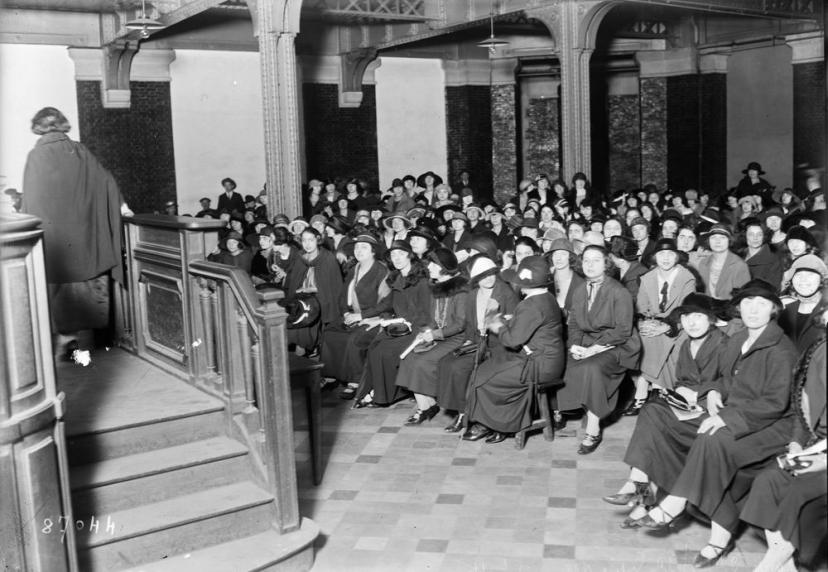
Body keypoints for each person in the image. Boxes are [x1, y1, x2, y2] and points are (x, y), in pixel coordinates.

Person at [631, 279, 798, 568]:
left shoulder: (781, 349)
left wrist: (725, 417)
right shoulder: (739, 339)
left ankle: (679, 503)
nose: (753, 310)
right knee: (670, 422)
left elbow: (775, 403)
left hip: (770, 427)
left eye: (761, 304)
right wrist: (715, 392)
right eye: (747, 303)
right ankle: (642, 487)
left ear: (773, 310)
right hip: (736, 414)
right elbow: (727, 379)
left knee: (711, 440)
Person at [603, 293, 728, 526]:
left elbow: (731, 383)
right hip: (690, 410)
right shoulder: (686, 345)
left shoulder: (724, 344)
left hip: (713, 416)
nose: (691, 322)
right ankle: (639, 487)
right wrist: (680, 393)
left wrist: (702, 393)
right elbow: (681, 380)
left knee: (655, 429)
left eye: (699, 317)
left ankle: (640, 494)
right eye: (687, 317)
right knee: (651, 410)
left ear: (711, 319)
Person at [21, 106, 132, 357]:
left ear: (39, 127)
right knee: (89, 296)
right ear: (62, 124)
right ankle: (86, 350)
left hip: (54, 247)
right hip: (85, 244)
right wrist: (123, 207)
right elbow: (106, 183)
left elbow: (31, 203)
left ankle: (67, 349)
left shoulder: (36, 156)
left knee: (59, 298)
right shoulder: (80, 151)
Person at [740, 314, 826, 572]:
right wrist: (798, 444)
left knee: (799, 492)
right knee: (767, 482)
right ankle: (786, 567)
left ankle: (766, 567)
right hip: (817, 445)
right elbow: (803, 402)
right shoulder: (818, 350)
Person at [463, 256, 566, 444]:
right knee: (488, 369)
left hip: (537, 366)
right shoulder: (546, 297)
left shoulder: (530, 305)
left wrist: (497, 324)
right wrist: (510, 320)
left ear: (525, 284)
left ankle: (495, 424)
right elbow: (532, 326)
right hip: (548, 361)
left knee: (483, 377)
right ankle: (495, 423)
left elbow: (512, 341)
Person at [556, 245, 642, 454]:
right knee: (560, 361)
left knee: (593, 369)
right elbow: (574, 324)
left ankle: (593, 430)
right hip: (587, 342)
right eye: (586, 260)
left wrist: (594, 349)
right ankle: (563, 410)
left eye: (596, 260)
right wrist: (575, 345)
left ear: (606, 263)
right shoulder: (580, 289)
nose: (590, 265)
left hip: (618, 345)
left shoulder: (619, 292)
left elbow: (622, 331)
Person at [436, 255, 520, 432]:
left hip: (499, 347)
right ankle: (461, 411)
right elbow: (469, 325)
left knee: (460, 369)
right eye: (483, 275)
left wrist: (496, 319)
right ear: (476, 279)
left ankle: (468, 415)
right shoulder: (472, 295)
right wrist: (467, 342)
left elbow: (514, 326)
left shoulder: (505, 293)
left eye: (491, 274)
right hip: (478, 343)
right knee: (446, 362)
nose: (489, 278)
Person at [354, 240, 432, 408]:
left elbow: (427, 314)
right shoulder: (396, 277)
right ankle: (379, 393)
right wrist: (365, 316)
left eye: (400, 254)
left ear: (409, 255)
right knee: (375, 347)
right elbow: (386, 304)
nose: (396, 258)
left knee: (386, 352)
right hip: (400, 326)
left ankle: (387, 394)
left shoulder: (421, 281)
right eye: (393, 255)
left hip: (418, 329)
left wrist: (415, 329)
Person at [396, 248, 469, 425]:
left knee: (422, 362)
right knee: (409, 359)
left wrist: (434, 334)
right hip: (439, 335)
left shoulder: (461, 290)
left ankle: (428, 406)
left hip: (458, 338)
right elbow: (434, 319)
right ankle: (426, 405)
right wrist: (425, 331)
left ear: (444, 267)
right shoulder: (436, 287)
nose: (429, 268)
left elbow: (460, 324)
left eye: (433, 265)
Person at [624, 239, 697, 415]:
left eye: (670, 254)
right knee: (645, 336)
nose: (666, 258)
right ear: (654, 257)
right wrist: (646, 323)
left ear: (677, 257)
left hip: (680, 325)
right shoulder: (647, 278)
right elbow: (642, 307)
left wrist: (665, 326)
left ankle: (646, 390)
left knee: (660, 339)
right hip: (653, 323)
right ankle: (659, 390)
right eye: (661, 254)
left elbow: (687, 310)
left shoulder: (687, 278)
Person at [320, 234, 389, 399]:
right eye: (357, 248)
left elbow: (386, 304)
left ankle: (355, 380)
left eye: (364, 247)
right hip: (352, 316)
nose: (359, 251)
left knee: (355, 339)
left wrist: (361, 316)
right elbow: (343, 296)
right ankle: (331, 375)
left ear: (373, 252)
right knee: (330, 333)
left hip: (375, 319)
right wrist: (345, 313)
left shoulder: (382, 271)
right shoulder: (353, 270)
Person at [778, 254, 827, 353]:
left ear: (821, 280)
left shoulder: (825, 310)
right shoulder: (785, 311)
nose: (803, 280)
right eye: (799, 275)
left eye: (810, 275)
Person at [697, 223, 750, 299]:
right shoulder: (703, 263)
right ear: (708, 241)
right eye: (713, 237)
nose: (717, 241)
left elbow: (743, 297)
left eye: (722, 237)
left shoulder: (739, 265)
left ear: (729, 241)